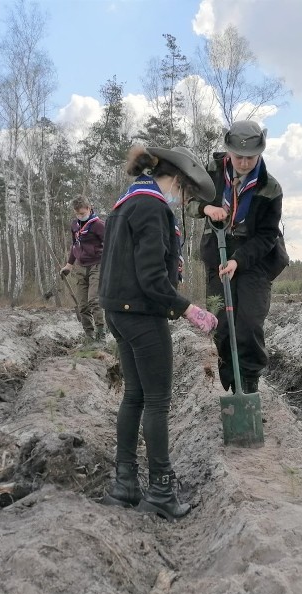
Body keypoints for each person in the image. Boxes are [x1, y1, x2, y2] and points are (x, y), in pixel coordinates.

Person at [98, 144, 218, 521]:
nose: (182, 201)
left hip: (117, 312)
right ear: (178, 182)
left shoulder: (124, 204)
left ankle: (126, 485)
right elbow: (151, 276)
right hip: (142, 314)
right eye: (186, 194)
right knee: (157, 401)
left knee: (133, 396)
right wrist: (187, 309)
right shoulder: (152, 207)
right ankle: (162, 491)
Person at [194, 120, 284, 394]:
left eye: (250, 157)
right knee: (221, 322)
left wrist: (239, 260)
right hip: (218, 253)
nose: (244, 163)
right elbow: (187, 201)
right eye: (238, 157)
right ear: (228, 150)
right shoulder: (211, 172)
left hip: (255, 258)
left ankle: (249, 383)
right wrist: (206, 208)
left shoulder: (270, 187)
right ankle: (231, 381)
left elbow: (268, 235)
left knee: (249, 322)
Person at [60, 195, 105, 341]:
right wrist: (69, 265)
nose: (80, 216)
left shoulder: (98, 225)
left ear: (89, 209)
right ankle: (89, 336)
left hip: (96, 265)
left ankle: (101, 335)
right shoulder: (74, 225)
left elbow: (110, 244)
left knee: (94, 300)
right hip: (80, 266)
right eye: (77, 213)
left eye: (82, 213)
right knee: (82, 304)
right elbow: (75, 245)